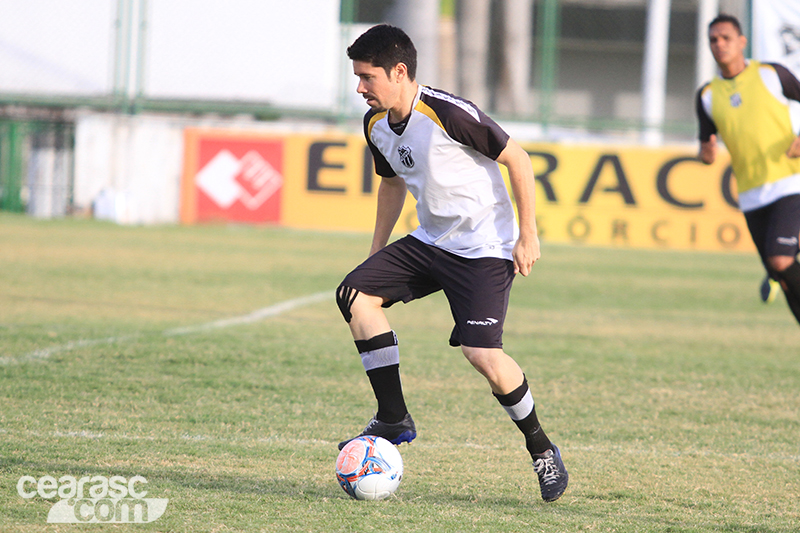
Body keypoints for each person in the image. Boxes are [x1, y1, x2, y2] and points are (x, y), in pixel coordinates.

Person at [334, 24, 568, 502]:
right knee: (355, 295)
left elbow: (519, 159)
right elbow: (392, 183)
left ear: (399, 72)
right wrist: (376, 251)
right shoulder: (375, 123)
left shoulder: (447, 112)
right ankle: (393, 417)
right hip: (432, 241)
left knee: (482, 355)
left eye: (367, 77)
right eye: (357, 77)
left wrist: (528, 235)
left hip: (484, 246)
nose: (359, 88)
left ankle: (541, 448)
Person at [697, 14, 800, 325]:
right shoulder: (707, 95)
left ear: (742, 41)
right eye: (713, 40)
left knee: (780, 259)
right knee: (780, 275)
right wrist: (706, 154)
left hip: (789, 182)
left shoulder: (771, 74)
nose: (719, 44)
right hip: (751, 196)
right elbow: (705, 147)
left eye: (726, 38)